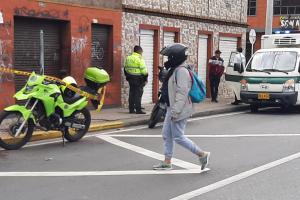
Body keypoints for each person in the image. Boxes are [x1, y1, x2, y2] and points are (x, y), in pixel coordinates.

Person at [153, 43, 210, 171]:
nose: (168, 60)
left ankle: (202, 154)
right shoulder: (175, 70)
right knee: (166, 134)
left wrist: (175, 111)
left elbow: (182, 93)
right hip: (171, 107)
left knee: (178, 137)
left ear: (176, 57)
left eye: (170, 57)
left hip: (179, 109)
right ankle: (167, 162)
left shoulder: (182, 71)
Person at [124, 46, 148, 114]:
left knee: (131, 93)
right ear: (139, 51)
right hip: (138, 79)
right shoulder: (140, 58)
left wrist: (128, 76)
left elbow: (125, 68)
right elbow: (144, 70)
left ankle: (131, 109)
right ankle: (138, 110)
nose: (142, 53)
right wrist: (146, 78)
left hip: (130, 78)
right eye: (142, 52)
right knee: (138, 94)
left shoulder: (129, 57)